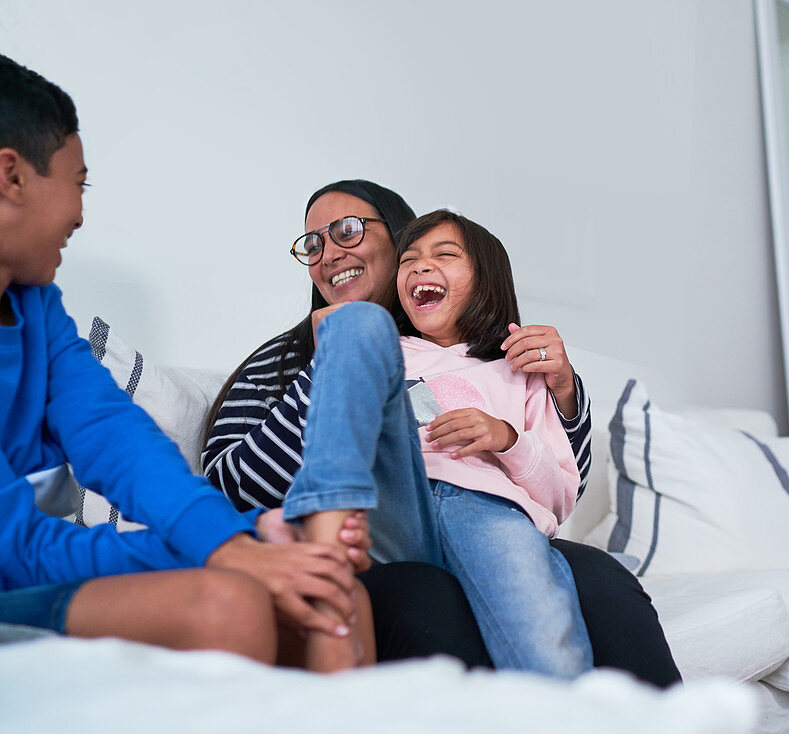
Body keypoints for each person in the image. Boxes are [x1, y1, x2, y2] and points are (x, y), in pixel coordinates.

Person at [204, 180, 682, 686]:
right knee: (428, 594)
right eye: (314, 244)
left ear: (396, 236)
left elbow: (559, 485)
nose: (327, 254)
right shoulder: (285, 357)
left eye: (346, 230)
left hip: (479, 512)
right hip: (372, 533)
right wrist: (337, 361)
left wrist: (560, 390)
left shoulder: (500, 359)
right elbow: (227, 486)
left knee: (601, 576)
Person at [0, 53, 370, 673]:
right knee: (226, 604)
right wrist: (232, 549)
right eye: (78, 182)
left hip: (25, 564)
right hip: (15, 568)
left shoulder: (36, 309)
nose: (80, 213)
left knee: (333, 589)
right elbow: (15, 550)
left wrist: (240, 537)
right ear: (11, 176)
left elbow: (114, 436)